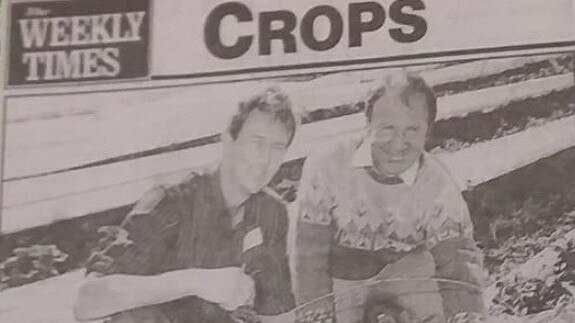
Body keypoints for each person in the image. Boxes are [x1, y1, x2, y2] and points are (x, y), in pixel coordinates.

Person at [73, 87, 298, 323]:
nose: (266, 160)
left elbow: (277, 312)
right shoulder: (173, 201)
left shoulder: (272, 212)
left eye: (278, 148)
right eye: (256, 142)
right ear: (229, 141)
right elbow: (86, 301)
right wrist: (195, 281)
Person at [291, 72, 486, 323]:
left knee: (443, 301)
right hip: (340, 276)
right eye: (387, 128)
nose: (398, 144)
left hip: (403, 274)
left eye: (412, 130)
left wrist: (467, 316)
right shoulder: (329, 162)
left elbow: (458, 263)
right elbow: (308, 252)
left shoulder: (437, 183)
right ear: (368, 123)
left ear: (427, 131)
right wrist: (316, 313)